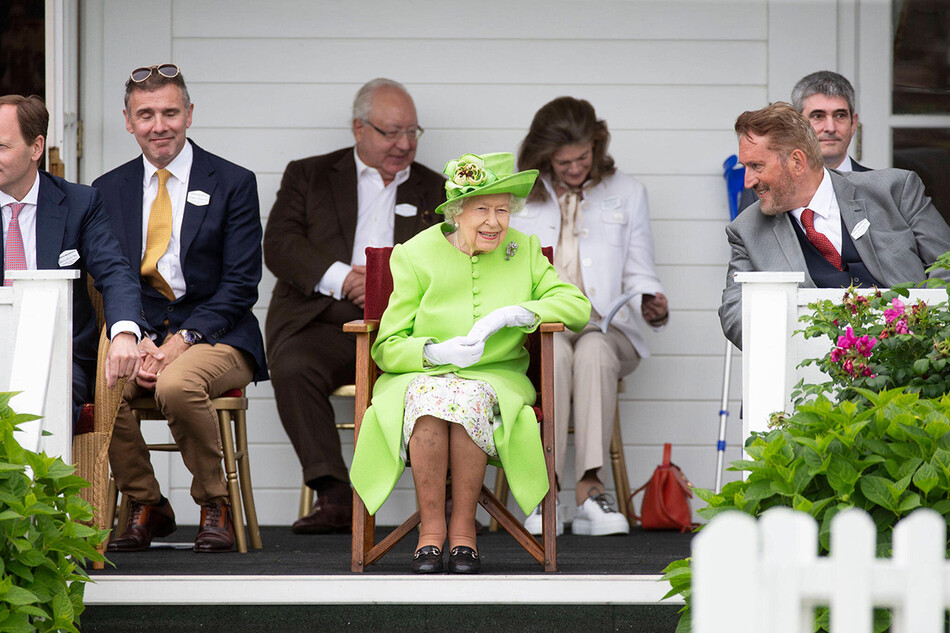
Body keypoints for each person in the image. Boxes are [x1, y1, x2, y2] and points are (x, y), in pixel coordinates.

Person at [349, 153, 590, 573]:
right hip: (419, 375)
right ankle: (430, 532)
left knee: (468, 399)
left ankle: (464, 531)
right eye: (481, 209)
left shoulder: (524, 250)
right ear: (457, 212)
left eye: (502, 210)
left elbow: (576, 306)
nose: (494, 222)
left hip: (496, 379)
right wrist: (433, 353)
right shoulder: (414, 254)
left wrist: (520, 312)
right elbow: (386, 346)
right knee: (431, 402)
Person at [93, 64, 268, 553]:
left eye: (170, 112)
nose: (159, 125)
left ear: (189, 115)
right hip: (142, 331)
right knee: (104, 382)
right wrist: (137, 336)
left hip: (220, 334)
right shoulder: (107, 190)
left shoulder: (233, 181)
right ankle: (147, 503)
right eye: (145, 114)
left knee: (176, 383)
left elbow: (240, 285)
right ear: (128, 121)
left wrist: (179, 343)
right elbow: (114, 277)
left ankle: (216, 503)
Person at [263, 78, 444, 535]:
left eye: (413, 132)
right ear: (358, 128)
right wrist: (345, 279)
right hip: (324, 321)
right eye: (391, 132)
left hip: (408, 326)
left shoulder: (437, 190)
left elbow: (455, 260)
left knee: (450, 373)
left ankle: (447, 506)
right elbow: (281, 246)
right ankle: (334, 495)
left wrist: (388, 286)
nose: (404, 145)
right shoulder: (309, 175)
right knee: (292, 366)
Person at [510, 97, 669, 537]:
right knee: (556, 350)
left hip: (609, 329)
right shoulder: (521, 198)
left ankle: (589, 491)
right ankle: (546, 492)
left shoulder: (628, 191)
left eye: (583, 157)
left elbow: (639, 271)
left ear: (596, 145)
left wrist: (652, 303)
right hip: (545, 329)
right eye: (564, 162)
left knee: (595, 348)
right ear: (545, 157)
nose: (576, 168)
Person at [719, 102, 950, 348]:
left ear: (797, 162)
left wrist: (925, 336)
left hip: (911, 357)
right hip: (815, 373)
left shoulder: (895, 190)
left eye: (757, 166)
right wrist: (803, 342)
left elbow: (945, 265)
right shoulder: (746, 229)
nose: (747, 181)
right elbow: (734, 314)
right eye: (746, 167)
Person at [0, 94, 144, 425]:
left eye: (2, 146)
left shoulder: (80, 203)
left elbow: (115, 271)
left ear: (36, 148)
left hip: (60, 360)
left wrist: (123, 332)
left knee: (38, 395)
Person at [738, 71, 868, 212]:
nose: (830, 128)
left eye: (840, 115)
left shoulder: (877, 189)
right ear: (797, 124)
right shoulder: (762, 188)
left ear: (853, 123)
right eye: (818, 116)